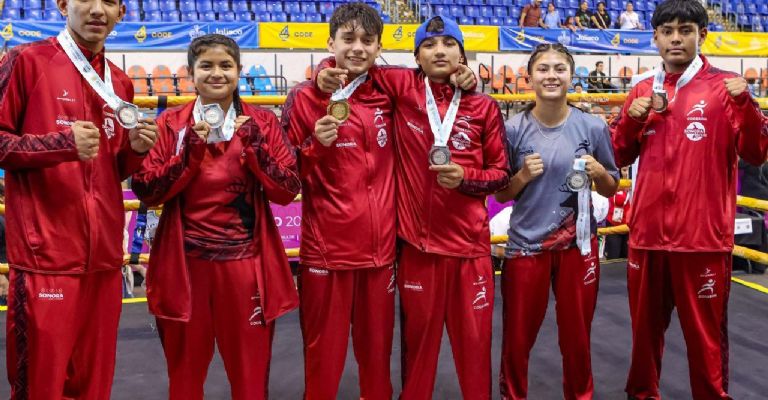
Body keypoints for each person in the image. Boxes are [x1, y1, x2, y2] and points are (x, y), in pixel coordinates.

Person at [316, 15, 509, 400]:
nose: (440, 51)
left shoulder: (484, 106)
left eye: (449, 44)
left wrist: (466, 178)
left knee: (475, 354)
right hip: (418, 251)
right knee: (417, 356)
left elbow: (501, 176)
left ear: (462, 53)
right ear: (416, 56)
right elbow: (357, 63)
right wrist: (324, 70)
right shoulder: (400, 85)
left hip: (470, 251)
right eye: (430, 45)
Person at [610, 0, 768, 398]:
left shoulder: (725, 87)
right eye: (668, 31)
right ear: (656, 38)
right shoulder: (642, 89)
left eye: (685, 30)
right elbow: (618, 155)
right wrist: (632, 119)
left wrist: (746, 105)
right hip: (646, 238)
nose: (676, 38)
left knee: (706, 341)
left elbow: (757, 153)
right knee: (643, 339)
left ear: (702, 35)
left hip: (701, 240)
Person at [1, 0, 158, 396]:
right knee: (41, 385)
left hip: (104, 260)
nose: (97, 9)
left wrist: (135, 150)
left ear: (121, 12)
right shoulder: (26, 62)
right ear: (63, 4)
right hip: (46, 257)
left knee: (94, 385)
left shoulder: (119, 82)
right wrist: (59, 144)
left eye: (109, 1)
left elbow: (109, 168)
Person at [131, 34, 300, 400]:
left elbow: (287, 191)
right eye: (206, 65)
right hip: (186, 268)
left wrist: (256, 149)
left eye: (226, 65)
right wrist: (188, 156)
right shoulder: (172, 124)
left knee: (251, 379)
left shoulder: (262, 123)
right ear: (192, 73)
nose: (217, 73)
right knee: (185, 378)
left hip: (245, 268)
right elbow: (147, 190)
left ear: (239, 71)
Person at [282, 4, 396, 399]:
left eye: (367, 40)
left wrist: (463, 74)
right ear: (331, 43)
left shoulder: (389, 91)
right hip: (326, 251)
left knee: (378, 358)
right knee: (322, 358)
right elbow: (283, 178)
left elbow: (433, 74)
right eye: (348, 39)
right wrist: (314, 146)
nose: (358, 48)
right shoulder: (303, 98)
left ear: (380, 47)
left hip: (381, 254)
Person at [496, 43, 619, 400]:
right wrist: (520, 177)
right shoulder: (513, 127)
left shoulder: (593, 126)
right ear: (530, 77)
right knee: (517, 339)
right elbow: (501, 194)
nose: (552, 75)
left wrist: (599, 173)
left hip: (577, 248)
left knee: (577, 337)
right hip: (526, 247)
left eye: (559, 68)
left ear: (571, 75)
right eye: (544, 69)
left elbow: (611, 187)